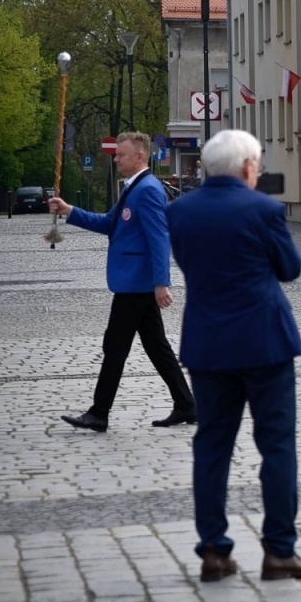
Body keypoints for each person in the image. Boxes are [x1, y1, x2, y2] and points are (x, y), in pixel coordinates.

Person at [162, 130, 301, 581]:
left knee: (212, 446)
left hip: (208, 342)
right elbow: (289, 269)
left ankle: (214, 550)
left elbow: (190, 264)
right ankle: (279, 551)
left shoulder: (180, 212)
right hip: (264, 341)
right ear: (249, 167)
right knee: (276, 445)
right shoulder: (264, 208)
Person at [50, 131, 197, 433]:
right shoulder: (134, 188)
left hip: (137, 283)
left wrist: (161, 282)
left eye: (121, 154)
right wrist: (70, 211)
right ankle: (187, 405)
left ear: (140, 157)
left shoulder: (148, 191)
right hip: (135, 281)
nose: (116, 158)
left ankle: (99, 412)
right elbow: (109, 223)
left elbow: (159, 238)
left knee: (115, 347)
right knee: (157, 347)